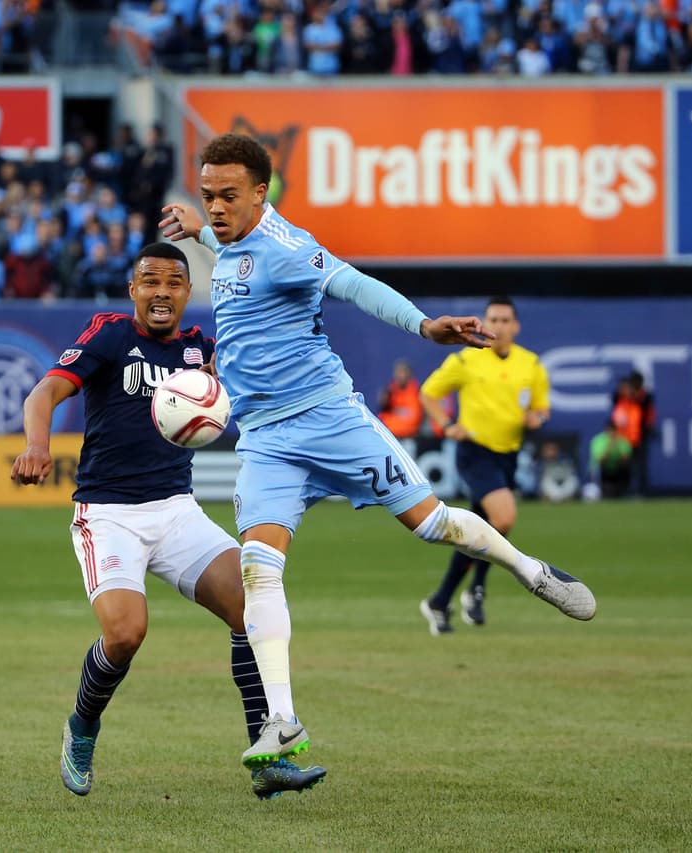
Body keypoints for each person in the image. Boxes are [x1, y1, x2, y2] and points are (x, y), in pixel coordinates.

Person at [159, 133, 596, 770]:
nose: (217, 208)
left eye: (228, 197)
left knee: (433, 524)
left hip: (329, 418)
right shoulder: (227, 243)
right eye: (207, 196)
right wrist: (200, 230)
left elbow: (352, 284)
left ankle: (531, 571)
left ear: (261, 193)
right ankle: (282, 720)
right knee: (259, 569)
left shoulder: (287, 248)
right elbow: (228, 242)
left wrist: (424, 325)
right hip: (265, 440)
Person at [11, 242, 325, 800]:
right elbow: (45, 391)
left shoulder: (200, 350)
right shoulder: (110, 334)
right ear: (133, 290)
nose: (162, 292)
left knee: (252, 605)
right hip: (108, 515)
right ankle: (82, 727)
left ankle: (267, 756)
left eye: (174, 283)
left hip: (176, 511)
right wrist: (37, 444)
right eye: (150, 282)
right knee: (126, 633)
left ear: (187, 292)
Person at [416, 296, 550, 633]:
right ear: (484, 324)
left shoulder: (530, 365)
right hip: (475, 452)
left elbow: (540, 409)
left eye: (506, 320)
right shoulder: (467, 360)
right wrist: (447, 425)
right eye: (494, 319)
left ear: (516, 326)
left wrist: (536, 418)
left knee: (478, 533)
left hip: (508, 455)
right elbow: (428, 393)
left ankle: (441, 600)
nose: (500, 326)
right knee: (503, 517)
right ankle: (475, 590)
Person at [611, 371, 655, 497]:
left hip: (639, 436)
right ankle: (622, 491)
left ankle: (642, 491)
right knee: (623, 465)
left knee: (640, 466)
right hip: (623, 437)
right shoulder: (622, 396)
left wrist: (632, 395)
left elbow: (645, 406)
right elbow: (614, 399)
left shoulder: (644, 396)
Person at [376, 359, 424, 440]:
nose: (400, 375)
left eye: (403, 371)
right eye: (397, 371)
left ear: (409, 373)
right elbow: (382, 415)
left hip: (411, 438)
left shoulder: (418, 391)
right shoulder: (389, 392)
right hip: (391, 437)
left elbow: (417, 417)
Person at [589, 419, 633, 499]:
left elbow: (626, 459)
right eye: (609, 430)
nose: (611, 433)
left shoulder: (622, 440)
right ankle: (600, 492)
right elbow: (599, 460)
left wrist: (617, 449)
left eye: (613, 430)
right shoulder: (599, 440)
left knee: (626, 468)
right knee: (597, 468)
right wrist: (609, 448)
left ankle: (623, 491)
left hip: (616, 468)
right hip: (602, 470)